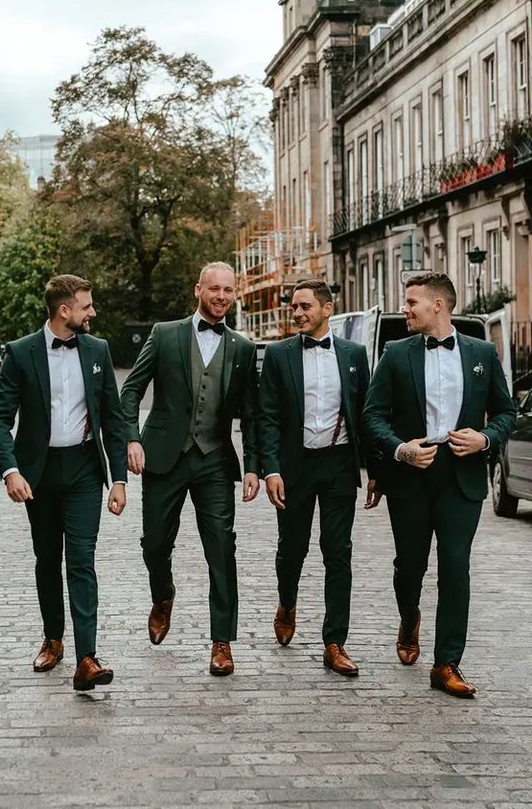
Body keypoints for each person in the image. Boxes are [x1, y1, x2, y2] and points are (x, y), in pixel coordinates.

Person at [362, 273, 515, 697]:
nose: (405, 309)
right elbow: (372, 416)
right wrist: (399, 449)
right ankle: (409, 617)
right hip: (411, 474)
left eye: (412, 302)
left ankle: (446, 663)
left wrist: (486, 438)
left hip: (461, 478)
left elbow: (506, 411)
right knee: (409, 567)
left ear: (439, 307)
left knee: (455, 567)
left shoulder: (482, 352)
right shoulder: (395, 354)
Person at [0, 274, 128, 692]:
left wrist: (118, 478)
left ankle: (87, 657)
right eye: (87, 305)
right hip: (40, 472)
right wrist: (10, 470)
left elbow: (114, 418)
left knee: (81, 560)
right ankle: (53, 638)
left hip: (85, 468)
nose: (93, 312)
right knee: (48, 559)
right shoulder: (20, 352)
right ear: (64, 310)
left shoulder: (98, 349)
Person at [120, 262, 259, 677]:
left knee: (222, 547)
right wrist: (132, 438)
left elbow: (251, 415)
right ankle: (163, 595)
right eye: (214, 288)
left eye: (228, 290)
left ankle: (222, 642)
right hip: (164, 455)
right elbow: (131, 390)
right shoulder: (165, 335)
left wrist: (252, 466)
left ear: (235, 294)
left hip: (215, 460)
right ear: (198, 289)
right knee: (156, 544)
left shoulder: (243, 348)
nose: (221, 296)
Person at [259, 279, 372, 676]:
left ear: (327, 309)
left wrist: (374, 471)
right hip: (295, 467)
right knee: (292, 549)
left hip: (340, 464)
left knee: (338, 551)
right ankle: (287, 601)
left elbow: (365, 416)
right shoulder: (278, 355)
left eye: (305, 306)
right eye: (293, 307)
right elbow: (267, 416)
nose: (297, 313)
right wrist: (271, 469)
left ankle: (335, 642)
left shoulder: (355, 354)